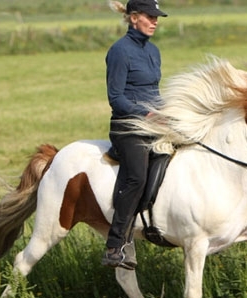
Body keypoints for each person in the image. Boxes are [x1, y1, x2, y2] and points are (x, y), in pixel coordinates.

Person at [102, 0, 168, 268]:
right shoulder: (119, 51)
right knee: (137, 177)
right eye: (149, 16)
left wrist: (168, 113)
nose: (155, 21)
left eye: (156, 17)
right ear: (133, 19)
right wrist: (146, 115)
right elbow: (115, 97)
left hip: (154, 124)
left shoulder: (153, 51)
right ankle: (114, 246)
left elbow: (153, 92)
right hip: (127, 126)